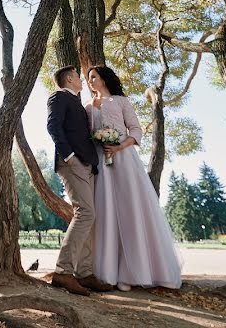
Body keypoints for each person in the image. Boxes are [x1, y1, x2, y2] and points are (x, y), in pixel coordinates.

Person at [86, 65, 182, 291]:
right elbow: (88, 135)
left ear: (104, 78)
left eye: (94, 77)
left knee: (130, 212)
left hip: (125, 160)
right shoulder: (89, 107)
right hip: (101, 162)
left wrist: (119, 147)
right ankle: (107, 273)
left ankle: (131, 273)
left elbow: (136, 130)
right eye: (88, 78)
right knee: (106, 213)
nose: (90, 81)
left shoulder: (121, 101)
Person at [45, 66, 113, 296]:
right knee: (85, 213)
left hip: (87, 165)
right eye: (78, 75)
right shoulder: (58, 97)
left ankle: (84, 273)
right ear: (70, 78)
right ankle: (63, 272)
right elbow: (53, 126)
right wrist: (70, 156)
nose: (82, 80)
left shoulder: (77, 101)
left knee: (89, 217)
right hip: (72, 163)